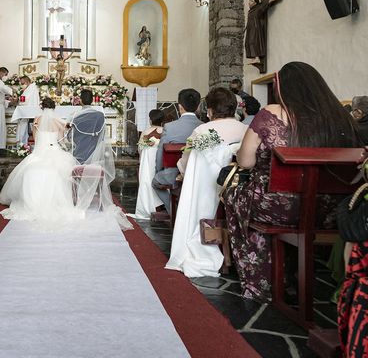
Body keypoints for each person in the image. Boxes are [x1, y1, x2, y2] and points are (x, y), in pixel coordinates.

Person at [226, 62, 363, 302]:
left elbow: (246, 162)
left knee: (233, 196)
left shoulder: (272, 113)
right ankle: (292, 271)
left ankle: (263, 278)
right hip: (333, 209)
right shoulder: (340, 116)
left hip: (278, 206)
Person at [166, 88, 247, 278]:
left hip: (206, 194)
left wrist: (182, 172)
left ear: (210, 110)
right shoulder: (245, 130)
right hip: (238, 191)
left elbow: (187, 162)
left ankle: (207, 246)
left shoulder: (202, 131)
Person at [0, 97, 81, 224]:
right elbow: (61, 138)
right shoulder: (58, 122)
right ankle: (57, 203)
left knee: (29, 169)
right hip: (54, 150)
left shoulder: (37, 120)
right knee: (62, 168)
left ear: (42, 107)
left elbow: (36, 139)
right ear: (54, 108)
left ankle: (33, 203)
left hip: (39, 151)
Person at [152, 88, 202, 214]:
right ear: (198, 106)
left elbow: (160, 153)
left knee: (155, 182)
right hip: (199, 173)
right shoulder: (203, 126)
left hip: (174, 173)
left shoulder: (170, 127)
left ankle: (174, 211)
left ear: (180, 107)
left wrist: (159, 170)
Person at [133, 109, 165, 220]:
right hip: (162, 163)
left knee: (147, 181)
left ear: (150, 120)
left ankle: (148, 206)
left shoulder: (146, 132)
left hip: (147, 163)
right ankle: (160, 205)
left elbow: (140, 149)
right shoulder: (165, 131)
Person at [244, 0, 283, 73]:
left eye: (251, 1)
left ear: (255, 3)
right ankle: (254, 57)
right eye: (249, 1)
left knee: (253, 41)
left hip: (255, 28)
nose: (249, 2)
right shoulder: (250, 11)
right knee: (248, 43)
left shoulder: (257, 8)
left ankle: (257, 57)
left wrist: (270, 1)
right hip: (250, 29)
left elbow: (263, 7)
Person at [70, 89, 105, 164]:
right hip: (95, 154)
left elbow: (69, 137)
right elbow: (102, 136)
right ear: (92, 100)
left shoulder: (74, 116)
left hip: (78, 153)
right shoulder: (100, 115)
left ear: (80, 100)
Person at [15, 75, 40, 146]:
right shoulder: (29, 88)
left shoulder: (32, 88)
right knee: (23, 125)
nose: (22, 85)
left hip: (28, 110)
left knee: (23, 125)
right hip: (27, 110)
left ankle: (22, 143)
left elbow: (26, 99)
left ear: (27, 81)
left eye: (23, 83)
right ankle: (23, 143)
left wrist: (18, 99)